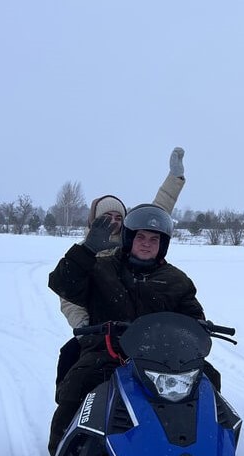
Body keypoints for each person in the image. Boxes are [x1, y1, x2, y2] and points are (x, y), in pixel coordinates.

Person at [47, 203, 205, 456]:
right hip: (107, 350)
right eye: (140, 237)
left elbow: (193, 317)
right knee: (81, 380)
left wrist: (197, 330)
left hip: (162, 358)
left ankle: (205, 446)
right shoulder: (102, 268)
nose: (146, 243)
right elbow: (62, 284)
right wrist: (86, 251)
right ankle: (67, 454)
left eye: (154, 239)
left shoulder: (176, 279)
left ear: (163, 244)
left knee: (206, 381)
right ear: (129, 238)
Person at [55, 147, 187, 383]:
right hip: (101, 333)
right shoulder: (86, 255)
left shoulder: (135, 246)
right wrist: (86, 326)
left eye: (118, 217)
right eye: (106, 218)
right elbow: (68, 293)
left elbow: (158, 211)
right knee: (73, 368)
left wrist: (174, 179)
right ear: (94, 221)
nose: (113, 223)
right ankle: (69, 419)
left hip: (143, 337)